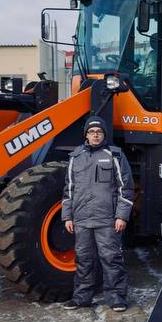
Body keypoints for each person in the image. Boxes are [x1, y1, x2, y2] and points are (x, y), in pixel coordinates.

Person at [62, 116, 134, 311]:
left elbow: (125, 188)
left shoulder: (115, 155)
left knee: (111, 258)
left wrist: (121, 216)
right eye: (92, 132)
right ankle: (81, 298)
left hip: (107, 220)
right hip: (82, 219)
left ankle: (117, 298)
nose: (95, 135)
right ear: (86, 134)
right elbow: (68, 189)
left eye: (99, 132)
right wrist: (67, 216)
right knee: (84, 259)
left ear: (104, 135)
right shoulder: (75, 158)